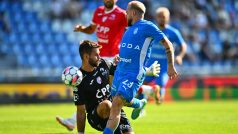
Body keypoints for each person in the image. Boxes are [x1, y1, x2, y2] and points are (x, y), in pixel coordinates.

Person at [103, 1, 178, 134]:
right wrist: (119, 57)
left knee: (116, 104)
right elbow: (129, 50)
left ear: (133, 13)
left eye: (127, 13)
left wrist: (171, 65)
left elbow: (168, 44)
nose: (125, 15)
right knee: (118, 100)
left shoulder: (147, 26)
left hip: (133, 73)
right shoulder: (129, 30)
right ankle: (139, 103)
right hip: (120, 70)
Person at [56, 40, 160, 133]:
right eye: (96, 55)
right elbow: (81, 111)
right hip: (96, 116)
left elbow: (125, 71)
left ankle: (138, 104)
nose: (99, 57)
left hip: (115, 108)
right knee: (107, 104)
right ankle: (138, 104)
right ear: (86, 57)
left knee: (118, 95)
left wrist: (146, 71)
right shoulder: (79, 80)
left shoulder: (104, 64)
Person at [56, 0, 127, 130]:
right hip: (99, 55)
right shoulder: (98, 11)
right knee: (99, 93)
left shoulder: (121, 14)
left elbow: (128, 33)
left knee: (115, 89)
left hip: (111, 57)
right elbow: (92, 29)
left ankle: (144, 95)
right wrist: (82, 29)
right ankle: (75, 120)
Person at [141, 7, 187, 104]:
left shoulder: (173, 32)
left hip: (164, 65)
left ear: (168, 18)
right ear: (156, 17)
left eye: (164, 17)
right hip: (150, 63)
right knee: (142, 82)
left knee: (159, 87)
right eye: (159, 17)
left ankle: (157, 97)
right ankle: (142, 103)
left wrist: (180, 56)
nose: (162, 19)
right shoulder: (152, 30)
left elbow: (183, 45)